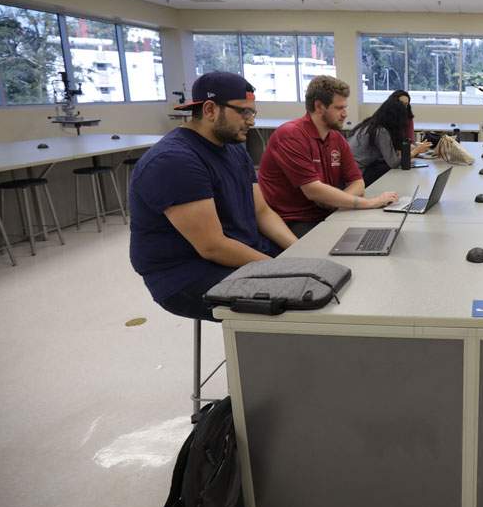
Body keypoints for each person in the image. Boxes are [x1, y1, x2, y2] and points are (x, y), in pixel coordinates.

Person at [129, 71, 298, 322]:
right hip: (188, 274)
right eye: (244, 112)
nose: (251, 121)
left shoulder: (234, 149)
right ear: (210, 110)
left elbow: (261, 212)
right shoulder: (175, 160)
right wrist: (284, 271)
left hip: (236, 251)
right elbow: (212, 247)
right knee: (295, 298)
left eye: (253, 112)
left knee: (316, 267)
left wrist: (300, 255)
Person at [259, 76, 398, 238]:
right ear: (319, 106)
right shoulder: (290, 135)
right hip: (293, 220)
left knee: (372, 234)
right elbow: (314, 191)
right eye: (339, 108)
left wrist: (337, 200)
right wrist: (370, 202)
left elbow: (358, 183)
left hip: (325, 214)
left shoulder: (337, 139)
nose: (345, 114)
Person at [348, 92, 431, 186]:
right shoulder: (381, 131)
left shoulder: (372, 124)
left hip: (351, 171)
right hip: (356, 176)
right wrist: (415, 152)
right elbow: (393, 163)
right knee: (389, 169)